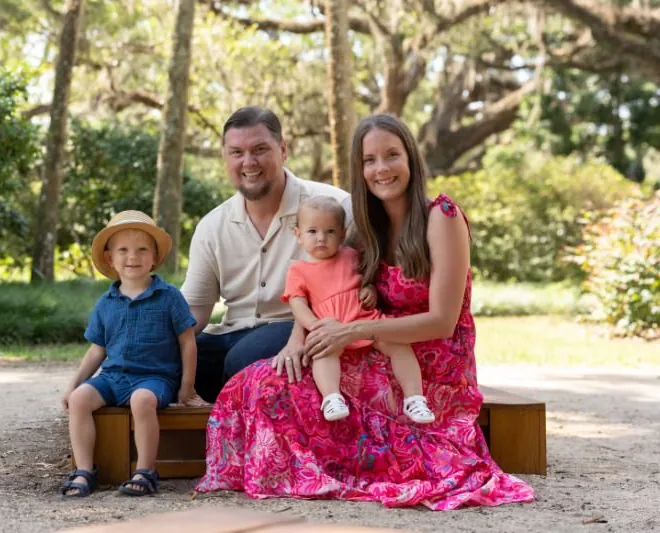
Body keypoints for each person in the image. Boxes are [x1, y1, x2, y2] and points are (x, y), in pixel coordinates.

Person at [196, 114, 534, 509]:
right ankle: (299, 467)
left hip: (428, 364)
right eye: (369, 160)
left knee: (267, 380)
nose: (381, 169)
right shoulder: (363, 226)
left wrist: (349, 329)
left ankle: (332, 465)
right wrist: (302, 337)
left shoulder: (441, 217)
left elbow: (443, 321)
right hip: (370, 347)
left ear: (411, 158)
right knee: (259, 378)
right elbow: (323, 291)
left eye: (392, 155)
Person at [181, 106, 351, 403]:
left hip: (296, 328)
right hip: (231, 332)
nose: (249, 162)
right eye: (236, 152)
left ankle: (232, 410)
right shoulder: (213, 226)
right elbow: (195, 310)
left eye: (260, 149)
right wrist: (151, 339)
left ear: (283, 150)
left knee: (240, 361)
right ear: (225, 157)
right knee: (174, 363)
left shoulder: (334, 207)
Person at [59, 210, 207, 498]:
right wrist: (73, 384)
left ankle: (145, 471)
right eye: (123, 250)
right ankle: (84, 471)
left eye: (142, 250)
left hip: (154, 378)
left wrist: (186, 388)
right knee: (79, 400)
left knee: (142, 400)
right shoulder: (106, 302)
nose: (133, 257)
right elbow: (97, 349)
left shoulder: (169, 296)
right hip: (113, 377)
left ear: (155, 257)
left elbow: (188, 342)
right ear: (109, 259)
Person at [283, 195, 435, 423]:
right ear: (298, 235)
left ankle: (415, 399)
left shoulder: (351, 256)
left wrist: (370, 289)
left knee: (400, 347)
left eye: (330, 231)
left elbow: (368, 278)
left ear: (343, 234)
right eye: (312, 231)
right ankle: (331, 397)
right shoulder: (298, 270)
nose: (322, 238)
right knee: (323, 354)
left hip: (365, 319)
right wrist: (315, 326)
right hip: (329, 325)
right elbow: (298, 304)